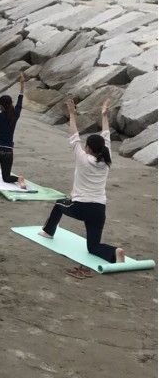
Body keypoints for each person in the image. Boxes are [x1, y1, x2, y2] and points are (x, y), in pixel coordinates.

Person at [39, 98, 126, 275]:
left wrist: (72, 114)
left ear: (88, 148)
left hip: (81, 207)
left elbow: (73, 135)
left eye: (86, 146)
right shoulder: (106, 160)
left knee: (59, 204)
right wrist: (104, 115)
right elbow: (106, 136)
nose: (84, 146)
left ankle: (48, 232)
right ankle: (114, 252)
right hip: (99, 210)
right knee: (93, 247)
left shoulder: (83, 158)